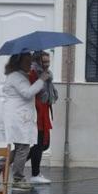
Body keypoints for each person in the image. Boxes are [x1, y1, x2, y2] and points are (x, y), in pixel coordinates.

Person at [0, 52, 50, 191]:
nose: (30, 64)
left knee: (22, 149)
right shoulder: (16, 76)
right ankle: (18, 179)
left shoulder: (19, 75)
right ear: (18, 62)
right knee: (23, 148)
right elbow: (27, 93)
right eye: (27, 61)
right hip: (18, 117)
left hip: (19, 116)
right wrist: (41, 80)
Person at [26, 50, 57, 184]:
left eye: (48, 61)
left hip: (44, 110)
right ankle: (35, 174)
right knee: (39, 144)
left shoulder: (46, 75)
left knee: (44, 144)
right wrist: (41, 79)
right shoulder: (33, 73)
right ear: (38, 61)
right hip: (37, 111)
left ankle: (4, 163)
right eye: (44, 62)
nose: (47, 64)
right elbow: (32, 91)